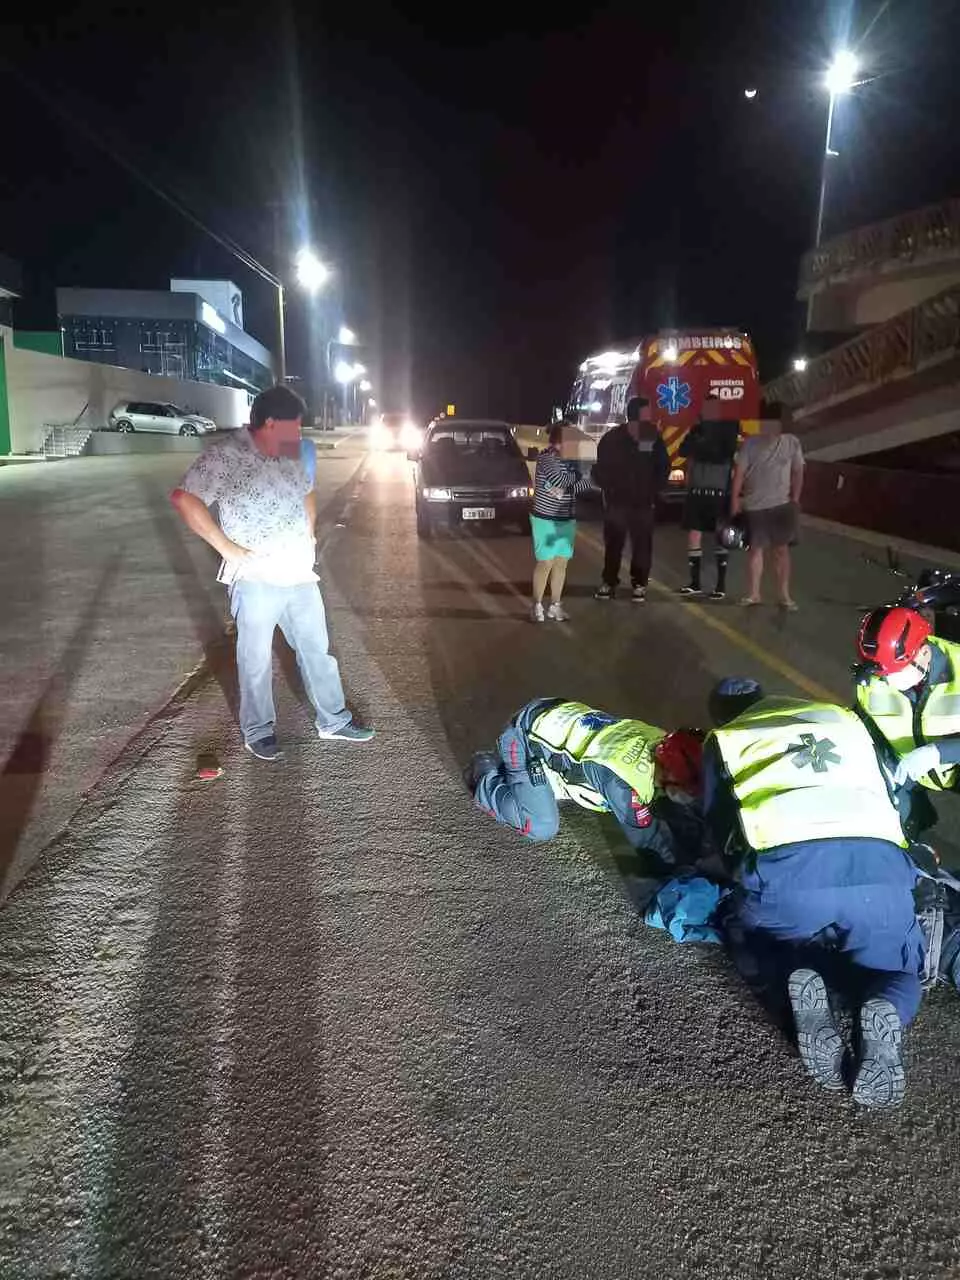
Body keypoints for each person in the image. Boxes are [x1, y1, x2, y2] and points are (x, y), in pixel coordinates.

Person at [704, 677, 924, 1109]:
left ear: (720, 715)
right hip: (879, 874)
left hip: (789, 881)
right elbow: (898, 795)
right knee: (900, 971)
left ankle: (798, 983)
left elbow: (718, 826)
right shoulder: (841, 718)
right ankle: (885, 1008)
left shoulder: (727, 740)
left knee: (760, 938)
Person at [170, 384, 374, 761]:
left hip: (298, 574)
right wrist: (227, 549)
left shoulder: (290, 451)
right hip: (256, 580)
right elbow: (184, 499)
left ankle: (333, 721)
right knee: (255, 659)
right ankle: (258, 730)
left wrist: (309, 531)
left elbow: (307, 489)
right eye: (293, 427)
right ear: (268, 423)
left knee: (317, 651)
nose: (299, 435)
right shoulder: (225, 457)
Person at [465, 698, 706, 866]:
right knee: (539, 824)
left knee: (659, 801)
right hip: (524, 739)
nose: (688, 794)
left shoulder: (660, 738)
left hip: (556, 714)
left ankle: (525, 780)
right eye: (685, 786)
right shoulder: (624, 781)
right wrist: (685, 867)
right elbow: (651, 844)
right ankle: (485, 772)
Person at [854, 604, 960, 834]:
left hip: (955, 764)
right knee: (889, 823)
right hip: (907, 769)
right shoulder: (874, 680)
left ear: (923, 652)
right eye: (884, 675)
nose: (889, 682)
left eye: (897, 672)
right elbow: (870, 731)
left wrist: (940, 752)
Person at [592, 395, 669, 603]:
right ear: (636, 416)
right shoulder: (612, 439)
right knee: (614, 544)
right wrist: (610, 488)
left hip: (643, 503)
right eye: (648, 414)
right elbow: (599, 469)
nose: (651, 417)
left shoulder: (651, 438)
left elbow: (663, 467)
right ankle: (609, 582)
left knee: (642, 545)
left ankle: (639, 584)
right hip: (617, 503)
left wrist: (654, 490)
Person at [729, 401, 804, 610]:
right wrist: (735, 500)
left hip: (782, 505)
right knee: (755, 550)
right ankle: (754, 594)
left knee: (781, 551)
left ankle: (784, 596)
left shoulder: (792, 443)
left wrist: (796, 498)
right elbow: (739, 475)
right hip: (755, 505)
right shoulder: (750, 444)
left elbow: (798, 471)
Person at [675, 392, 740, 600]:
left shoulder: (724, 428)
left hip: (715, 490)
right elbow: (683, 450)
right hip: (703, 490)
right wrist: (700, 439)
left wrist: (700, 441)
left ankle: (717, 586)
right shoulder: (701, 429)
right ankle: (700, 584)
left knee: (716, 537)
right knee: (699, 536)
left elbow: (720, 453)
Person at [529, 422, 593, 623]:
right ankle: (537, 605)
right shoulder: (546, 458)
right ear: (559, 441)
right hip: (545, 518)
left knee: (561, 563)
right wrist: (577, 477)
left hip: (566, 518)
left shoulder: (573, 461)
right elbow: (559, 480)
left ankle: (555, 606)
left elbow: (588, 482)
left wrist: (571, 485)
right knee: (546, 562)